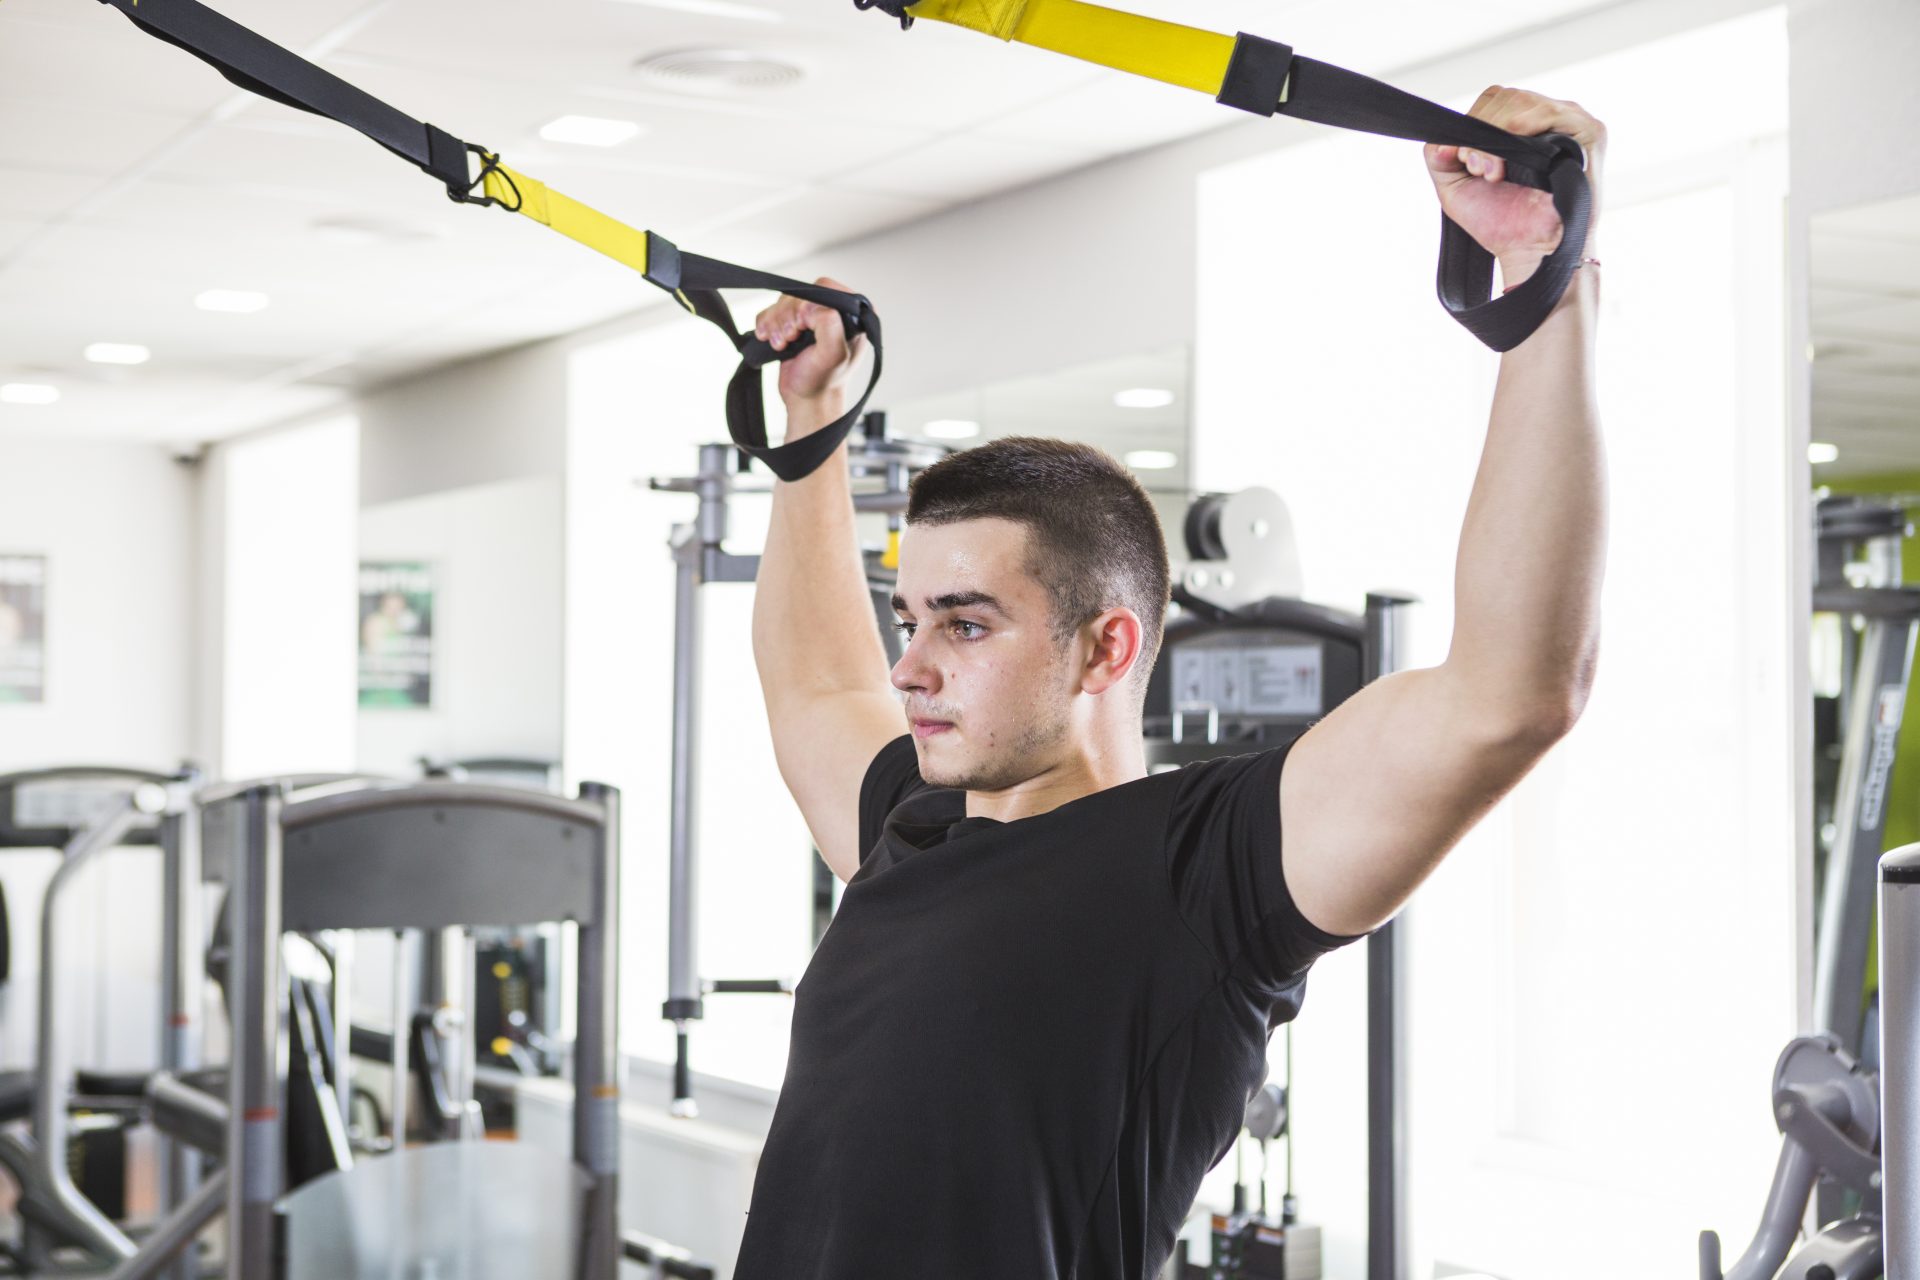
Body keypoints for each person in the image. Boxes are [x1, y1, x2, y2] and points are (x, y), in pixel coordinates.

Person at [737, 86, 1607, 1280]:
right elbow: (812, 691)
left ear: (1107, 647)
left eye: (967, 623)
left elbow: (1512, 694)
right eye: (910, 617)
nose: (912, 664)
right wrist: (813, 428)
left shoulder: (1198, 870)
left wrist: (1547, 278)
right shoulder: (914, 820)